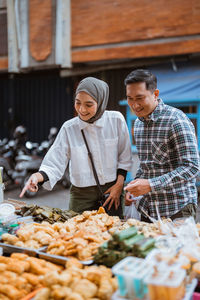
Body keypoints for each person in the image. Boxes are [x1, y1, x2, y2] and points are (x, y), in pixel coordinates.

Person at [20, 77, 132, 217]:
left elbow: (124, 156)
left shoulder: (116, 120)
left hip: (112, 190)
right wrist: (37, 177)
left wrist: (119, 186)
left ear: (101, 102)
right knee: (77, 232)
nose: (82, 109)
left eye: (89, 104)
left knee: (113, 232)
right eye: (77, 103)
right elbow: (55, 161)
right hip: (81, 195)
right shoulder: (69, 128)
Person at [124, 69, 200, 222]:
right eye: (130, 98)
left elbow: (192, 167)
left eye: (140, 98)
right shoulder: (138, 124)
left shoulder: (176, 120)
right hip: (147, 208)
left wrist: (151, 185)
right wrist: (135, 186)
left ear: (155, 94)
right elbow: (147, 165)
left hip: (177, 209)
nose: (134, 105)